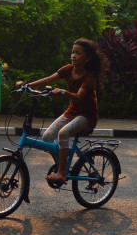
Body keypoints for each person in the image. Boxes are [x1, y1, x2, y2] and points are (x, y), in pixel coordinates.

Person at [16, 38, 106, 186]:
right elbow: (49, 80)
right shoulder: (68, 69)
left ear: (88, 58)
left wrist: (64, 92)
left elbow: (78, 98)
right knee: (47, 136)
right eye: (72, 52)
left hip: (86, 116)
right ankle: (61, 165)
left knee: (63, 134)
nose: (73, 56)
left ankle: (62, 173)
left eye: (78, 53)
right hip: (72, 112)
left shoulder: (89, 78)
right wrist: (27, 85)